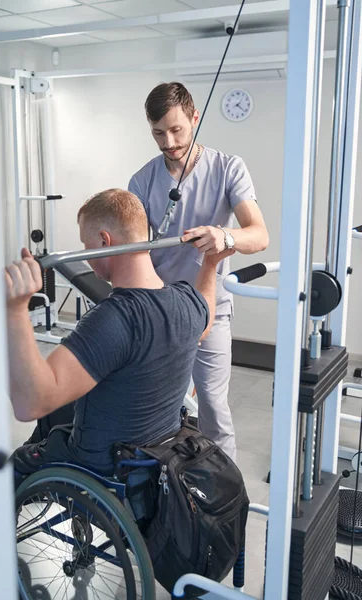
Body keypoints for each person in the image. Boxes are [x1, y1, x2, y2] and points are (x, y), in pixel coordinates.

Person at [7, 188, 231, 478]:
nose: (87, 255)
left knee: (13, 466)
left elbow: (30, 405)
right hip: (155, 452)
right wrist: (211, 263)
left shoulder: (110, 320)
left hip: (102, 463)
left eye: (87, 246)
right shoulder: (188, 302)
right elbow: (208, 317)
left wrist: (15, 310)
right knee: (57, 413)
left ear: (104, 241)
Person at [128, 82, 269, 462]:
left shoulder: (228, 168)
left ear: (194, 119)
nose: (169, 141)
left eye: (176, 130)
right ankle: (172, 496)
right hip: (162, 310)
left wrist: (224, 235)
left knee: (213, 407)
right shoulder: (142, 181)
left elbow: (259, 234)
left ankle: (226, 504)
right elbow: (136, 254)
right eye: (159, 133)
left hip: (211, 309)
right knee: (158, 408)